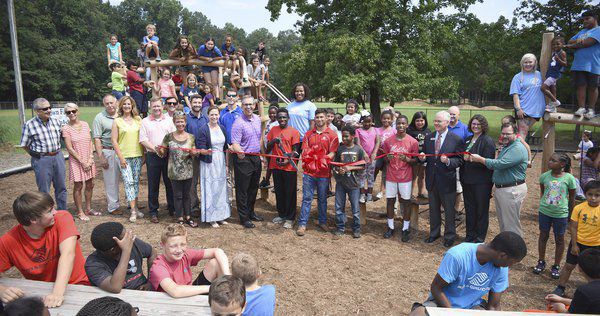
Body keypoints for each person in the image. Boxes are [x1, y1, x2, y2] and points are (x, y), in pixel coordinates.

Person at [0, 192, 90, 308]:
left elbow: (67, 254)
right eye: (50, 211)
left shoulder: (62, 218)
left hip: (79, 286)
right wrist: (1, 290)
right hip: (42, 294)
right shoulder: (8, 241)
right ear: (33, 219)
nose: (55, 212)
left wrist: (57, 294)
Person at [409, 231, 527, 315]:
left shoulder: (501, 267)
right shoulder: (458, 256)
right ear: (502, 255)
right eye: (512, 262)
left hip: (473, 307)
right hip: (443, 304)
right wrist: (452, 314)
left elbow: (493, 306)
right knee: (418, 314)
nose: (510, 266)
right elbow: (436, 288)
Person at [469, 122, 528, 236]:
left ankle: (514, 249)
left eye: (508, 134)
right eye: (503, 133)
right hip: (504, 189)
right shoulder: (509, 146)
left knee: (511, 224)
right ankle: (506, 248)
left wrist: (480, 159)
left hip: (511, 190)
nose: (504, 136)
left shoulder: (517, 148)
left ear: (516, 134)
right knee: (504, 223)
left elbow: (499, 164)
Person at [418, 111, 465, 247]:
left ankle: (449, 236)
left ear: (447, 122)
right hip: (432, 179)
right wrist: (422, 158)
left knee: (449, 211)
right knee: (433, 209)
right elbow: (426, 157)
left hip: (447, 181)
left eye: (439, 121)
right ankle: (434, 233)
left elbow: (460, 160)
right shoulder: (429, 137)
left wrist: (449, 161)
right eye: (435, 121)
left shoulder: (455, 139)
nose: (436, 123)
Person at [148, 224, 230, 297]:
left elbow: (217, 251)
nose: (179, 250)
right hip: (171, 302)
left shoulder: (185, 254)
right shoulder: (158, 266)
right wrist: (213, 288)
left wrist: (228, 277)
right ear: (163, 245)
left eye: (183, 244)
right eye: (173, 246)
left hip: (189, 293)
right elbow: (175, 291)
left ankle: (227, 297)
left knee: (215, 263)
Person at [552, 180, 600, 297]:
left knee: (594, 270)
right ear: (585, 194)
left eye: (597, 195)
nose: (593, 198)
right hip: (578, 243)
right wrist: (574, 244)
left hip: (595, 246)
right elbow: (573, 227)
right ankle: (561, 287)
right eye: (590, 194)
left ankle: (593, 291)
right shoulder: (579, 208)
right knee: (569, 266)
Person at [533, 153, 576, 279]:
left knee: (559, 239)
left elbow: (572, 197)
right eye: (550, 159)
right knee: (543, 235)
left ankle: (556, 265)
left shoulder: (569, 178)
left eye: (553, 160)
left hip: (561, 214)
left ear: (562, 164)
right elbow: (543, 191)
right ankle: (541, 261)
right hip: (545, 212)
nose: (549, 162)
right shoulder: (544, 176)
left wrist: (571, 214)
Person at [297, 109, 339, 236]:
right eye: (317, 117)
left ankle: (322, 221)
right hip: (309, 172)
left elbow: (333, 153)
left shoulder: (332, 135)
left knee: (322, 199)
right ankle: (302, 224)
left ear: (326, 118)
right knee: (307, 198)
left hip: (324, 173)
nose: (319, 119)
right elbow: (305, 150)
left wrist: (322, 159)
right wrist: (311, 158)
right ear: (314, 119)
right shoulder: (308, 134)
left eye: (321, 117)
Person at [20, 98, 67, 210]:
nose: (49, 110)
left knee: (61, 187)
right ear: (37, 111)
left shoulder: (56, 121)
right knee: (44, 190)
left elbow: (63, 137)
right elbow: (24, 144)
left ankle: (62, 212)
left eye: (50, 107)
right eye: (45, 109)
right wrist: (36, 155)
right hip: (42, 159)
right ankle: (46, 213)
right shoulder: (29, 125)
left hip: (58, 156)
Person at [85, 222, 157, 292]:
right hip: (117, 300)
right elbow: (115, 287)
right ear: (113, 250)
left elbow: (152, 253)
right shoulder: (93, 264)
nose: (129, 237)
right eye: (124, 238)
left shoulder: (131, 242)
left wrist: (151, 282)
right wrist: (126, 251)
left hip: (142, 290)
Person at [382, 115, 419, 241]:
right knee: (390, 201)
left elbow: (416, 160)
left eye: (403, 123)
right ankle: (390, 227)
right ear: (395, 125)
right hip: (391, 176)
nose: (401, 126)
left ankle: (405, 228)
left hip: (405, 177)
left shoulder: (413, 142)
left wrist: (408, 159)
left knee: (406, 202)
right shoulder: (388, 141)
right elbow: (384, 158)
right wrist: (388, 158)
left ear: (407, 125)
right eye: (399, 123)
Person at [158, 111, 197, 227]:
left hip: (188, 171)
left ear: (185, 122)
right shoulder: (168, 137)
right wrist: (160, 150)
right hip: (174, 172)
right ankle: (179, 217)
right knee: (177, 195)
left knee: (187, 195)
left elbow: (194, 151)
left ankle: (188, 216)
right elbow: (163, 153)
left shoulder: (191, 137)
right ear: (174, 122)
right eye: (178, 121)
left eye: (182, 121)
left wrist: (194, 152)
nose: (180, 124)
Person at [139, 98, 176, 223]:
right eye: (154, 106)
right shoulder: (145, 121)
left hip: (167, 155)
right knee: (153, 185)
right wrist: (156, 149)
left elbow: (173, 136)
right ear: (151, 107)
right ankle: (153, 211)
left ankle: (172, 208)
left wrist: (165, 149)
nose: (156, 108)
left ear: (163, 107)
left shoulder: (169, 121)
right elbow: (143, 139)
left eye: (158, 106)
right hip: (152, 156)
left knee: (169, 183)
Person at [460, 114, 495, 243]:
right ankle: (469, 235)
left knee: (481, 210)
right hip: (467, 180)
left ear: (483, 126)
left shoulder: (487, 141)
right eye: (473, 124)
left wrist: (475, 159)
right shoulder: (468, 139)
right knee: (470, 209)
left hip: (481, 182)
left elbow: (489, 163)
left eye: (478, 124)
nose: (475, 126)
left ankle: (479, 237)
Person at [231, 96, 264, 229]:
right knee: (243, 190)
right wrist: (240, 152)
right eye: (245, 105)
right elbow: (235, 143)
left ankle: (251, 212)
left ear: (254, 106)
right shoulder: (238, 123)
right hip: (243, 159)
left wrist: (262, 155)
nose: (248, 107)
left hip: (256, 157)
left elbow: (260, 138)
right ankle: (244, 217)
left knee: (253, 188)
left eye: (250, 104)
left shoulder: (257, 119)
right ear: (242, 106)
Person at [62, 102, 97, 221]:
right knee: (78, 185)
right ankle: (80, 211)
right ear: (66, 114)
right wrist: (82, 161)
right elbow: (69, 148)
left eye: (73, 111)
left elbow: (90, 142)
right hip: (77, 160)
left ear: (78, 111)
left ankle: (88, 208)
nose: (71, 113)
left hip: (88, 159)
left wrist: (90, 158)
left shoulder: (86, 124)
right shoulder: (66, 129)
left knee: (90, 184)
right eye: (68, 112)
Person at [111, 96, 145, 222]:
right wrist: (120, 158)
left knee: (135, 182)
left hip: (137, 155)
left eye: (129, 104)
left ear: (132, 106)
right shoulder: (117, 121)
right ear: (121, 106)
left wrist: (144, 155)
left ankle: (135, 207)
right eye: (124, 104)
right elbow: (114, 141)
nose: (126, 106)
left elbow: (142, 138)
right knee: (128, 182)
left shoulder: (138, 119)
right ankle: (133, 211)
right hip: (124, 156)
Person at [266, 108, 300, 229]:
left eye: (284, 117)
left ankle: (290, 218)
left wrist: (287, 160)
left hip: (289, 167)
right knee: (279, 191)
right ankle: (282, 214)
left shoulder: (294, 132)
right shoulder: (273, 130)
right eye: (280, 117)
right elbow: (268, 146)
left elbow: (296, 151)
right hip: (276, 165)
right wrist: (274, 140)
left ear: (288, 118)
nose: (282, 119)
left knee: (290, 192)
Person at [196, 106, 231, 227]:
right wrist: (206, 152)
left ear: (219, 115)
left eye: (216, 114)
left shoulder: (222, 128)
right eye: (212, 115)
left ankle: (221, 215)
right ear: (208, 115)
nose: (214, 117)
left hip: (220, 161)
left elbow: (226, 148)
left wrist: (226, 165)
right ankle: (211, 217)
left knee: (221, 188)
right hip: (209, 162)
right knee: (211, 188)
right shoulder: (203, 129)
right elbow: (200, 148)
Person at [565, 10, 600, 120]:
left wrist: (572, 45)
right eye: (583, 19)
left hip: (593, 64)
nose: (584, 21)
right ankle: (581, 108)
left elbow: (588, 43)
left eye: (587, 18)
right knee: (581, 86)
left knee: (592, 87)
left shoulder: (598, 30)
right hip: (579, 64)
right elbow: (570, 41)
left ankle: (591, 110)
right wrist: (575, 42)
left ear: (595, 18)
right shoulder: (582, 31)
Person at [332, 125, 365, 239]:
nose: (344, 139)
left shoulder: (358, 150)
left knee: (355, 209)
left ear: (353, 136)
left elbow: (362, 166)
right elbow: (335, 165)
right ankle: (340, 227)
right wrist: (338, 170)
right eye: (343, 136)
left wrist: (350, 168)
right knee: (339, 207)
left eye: (346, 136)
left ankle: (356, 229)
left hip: (354, 184)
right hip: (341, 183)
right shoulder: (340, 149)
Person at [545, 248, 600, 314]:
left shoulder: (584, 291)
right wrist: (561, 299)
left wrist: (560, 308)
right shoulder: (588, 292)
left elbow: (571, 314)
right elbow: (584, 302)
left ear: (580, 269)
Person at [93, 95, 123, 215]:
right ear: (104, 104)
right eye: (107, 104)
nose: (110, 105)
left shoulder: (122, 114)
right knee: (111, 181)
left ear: (116, 102)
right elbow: (97, 138)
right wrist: (101, 157)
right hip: (109, 150)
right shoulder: (99, 118)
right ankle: (113, 206)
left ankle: (132, 204)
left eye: (112, 103)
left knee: (129, 179)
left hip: (123, 150)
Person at [510, 53, 546, 137]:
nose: (528, 64)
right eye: (525, 62)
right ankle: (523, 150)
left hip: (537, 110)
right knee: (521, 135)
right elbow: (515, 95)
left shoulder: (540, 75)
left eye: (530, 62)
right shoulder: (517, 77)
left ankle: (517, 148)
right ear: (522, 63)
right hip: (523, 110)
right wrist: (518, 109)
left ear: (535, 63)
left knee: (521, 134)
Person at [355, 112, 380, 203]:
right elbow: (358, 143)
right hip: (362, 157)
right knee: (361, 175)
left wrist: (374, 152)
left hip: (372, 158)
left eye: (369, 122)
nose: (367, 124)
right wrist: (364, 153)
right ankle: (362, 194)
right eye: (365, 122)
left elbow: (377, 142)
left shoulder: (376, 130)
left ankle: (369, 194)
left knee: (370, 175)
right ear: (362, 121)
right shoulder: (358, 131)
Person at [407, 111, 430, 200]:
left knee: (422, 175)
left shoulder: (427, 131)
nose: (420, 123)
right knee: (414, 175)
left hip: (424, 157)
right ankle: (410, 194)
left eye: (422, 120)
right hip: (414, 157)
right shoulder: (410, 131)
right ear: (414, 121)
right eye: (417, 121)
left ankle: (420, 192)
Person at [541, 36, 568, 112]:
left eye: (558, 44)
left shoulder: (562, 53)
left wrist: (558, 59)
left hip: (554, 74)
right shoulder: (554, 52)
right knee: (553, 90)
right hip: (551, 72)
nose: (555, 46)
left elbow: (565, 64)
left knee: (543, 88)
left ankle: (555, 101)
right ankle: (552, 108)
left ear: (562, 44)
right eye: (553, 44)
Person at [374, 110, 396, 200]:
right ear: (381, 119)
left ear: (392, 120)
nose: (386, 120)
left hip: (388, 156)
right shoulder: (377, 130)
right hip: (378, 155)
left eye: (388, 118)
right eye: (384, 118)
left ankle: (381, 191)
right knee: (375, 168)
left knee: (385, 174)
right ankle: (369, 187)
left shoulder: (394, 131)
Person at [259, 105, 279, 189]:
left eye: (274, 113)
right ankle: (267, 180)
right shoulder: (268, 122)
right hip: (267, 146)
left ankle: (271, 181)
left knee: (273, 166)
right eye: (270, 113)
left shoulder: (277, 123)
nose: (272, 115)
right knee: (269, 166)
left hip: (273, 148)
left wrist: (267, 150)